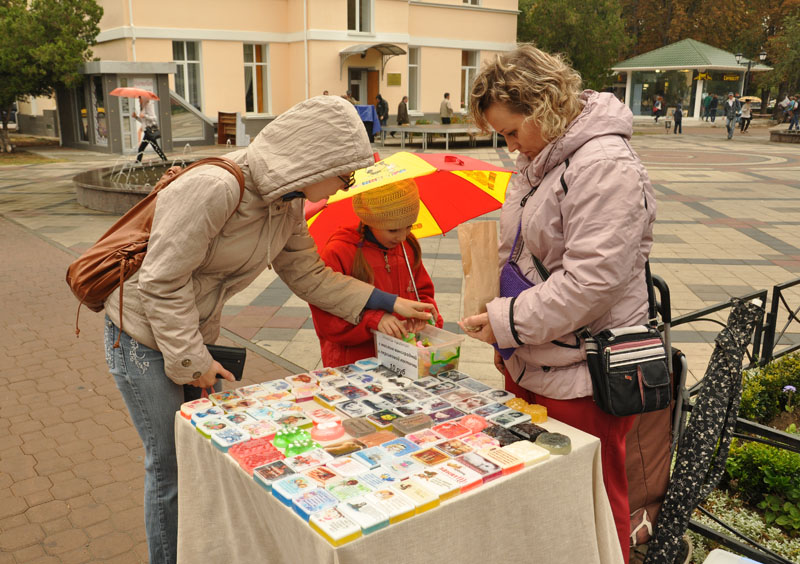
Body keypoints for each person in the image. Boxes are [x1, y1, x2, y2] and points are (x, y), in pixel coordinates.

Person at [101, 95, 433, 564]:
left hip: (190, 335)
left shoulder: (285, 202)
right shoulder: (217, 187)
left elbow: (309, 275)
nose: (344, 188)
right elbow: (160, 281)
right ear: (316, 159)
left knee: (203, 458)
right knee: (171, 465)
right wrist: (194, 360)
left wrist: (388, 300)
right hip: (140, 335)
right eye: (345, 175)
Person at [460, 44, 656, 564]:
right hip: (539, 353)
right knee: (547, 494)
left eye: (510, 132)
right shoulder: (545, 159)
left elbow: (591, 283)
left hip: (583, 370)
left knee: (592, 499)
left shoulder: (603, 166)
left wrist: (505, 320)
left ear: (544, 108)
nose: (509, 147)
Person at [310, 178, 443, 366]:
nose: (402, 236)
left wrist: (422, 312)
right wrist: (373, 320)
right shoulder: (339, 251)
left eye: (409, 226)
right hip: (354, 362)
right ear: (370, 221)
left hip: (400, 358)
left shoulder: (407, 246)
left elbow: (422, 291)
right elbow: (327, 318)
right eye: (393, 230)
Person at [133, 96, 167, 163]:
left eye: (139, 99)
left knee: (142, 148)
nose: (138, 101)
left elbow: (154, 118)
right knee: (154, 147)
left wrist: (144, 116)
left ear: (143, 99)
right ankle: (164, 159)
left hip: (149, 131)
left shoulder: (148, 105)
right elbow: (143, 121)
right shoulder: (143, 108)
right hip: (147, 131)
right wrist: (136, 117)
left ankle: (138, 162)